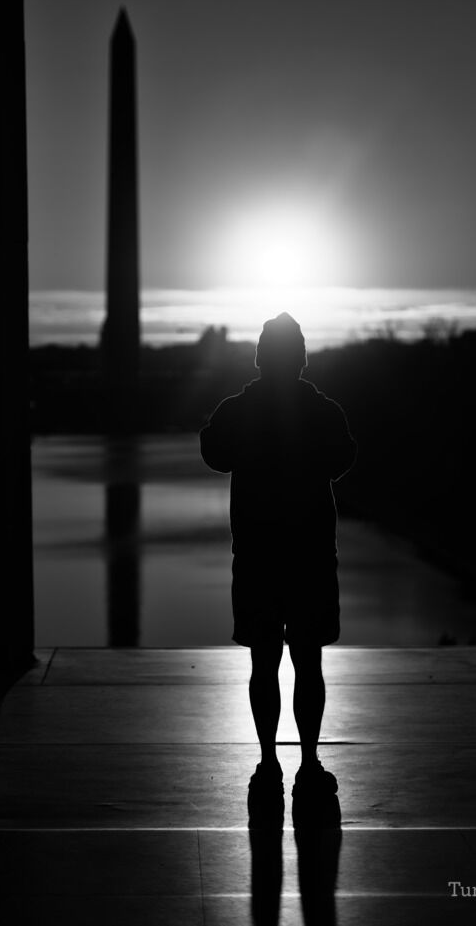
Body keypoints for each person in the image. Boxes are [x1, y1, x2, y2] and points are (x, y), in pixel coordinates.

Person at [199, 311, 357, 810]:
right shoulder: (324, 410)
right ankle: (308, 762)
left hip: (257, 555)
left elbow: (212, 452)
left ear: (261, 357)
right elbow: (343, 459)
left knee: (263, 662)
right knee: (308, 662)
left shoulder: (238, 410)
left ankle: (269, 761)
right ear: (303, 358)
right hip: (309, 554)